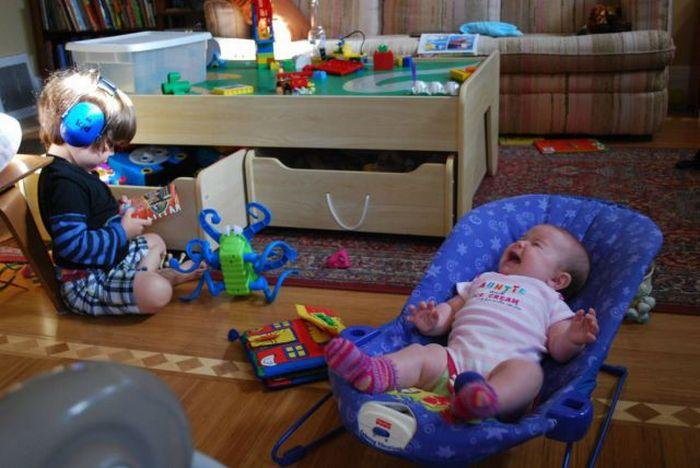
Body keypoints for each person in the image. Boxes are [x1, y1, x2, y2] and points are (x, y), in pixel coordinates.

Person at [325, 224, 599, 420]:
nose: (521, 243)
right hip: (453, 364)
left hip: (503, 376)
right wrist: (433, 322)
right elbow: (452, 309)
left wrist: (573, 337)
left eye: (535, 244)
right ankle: (375, 373)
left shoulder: (549, 298)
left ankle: (483, 402)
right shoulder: (483, 280)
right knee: (424, 353)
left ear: (557, 280)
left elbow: (558, 349)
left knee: (529, 373)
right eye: (522, 238)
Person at [37, 68, 200, 316]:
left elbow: (94, 218)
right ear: (80, 128)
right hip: (86, 281)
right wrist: (122, 231)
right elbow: (74, 247)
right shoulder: (63, 184)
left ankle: (149, 275)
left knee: (155, 240)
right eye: (110, 144)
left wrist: (119, 213)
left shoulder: (76, 172)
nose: (112, 153)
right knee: (157, 293)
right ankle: (156, 277)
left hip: (110, 260)